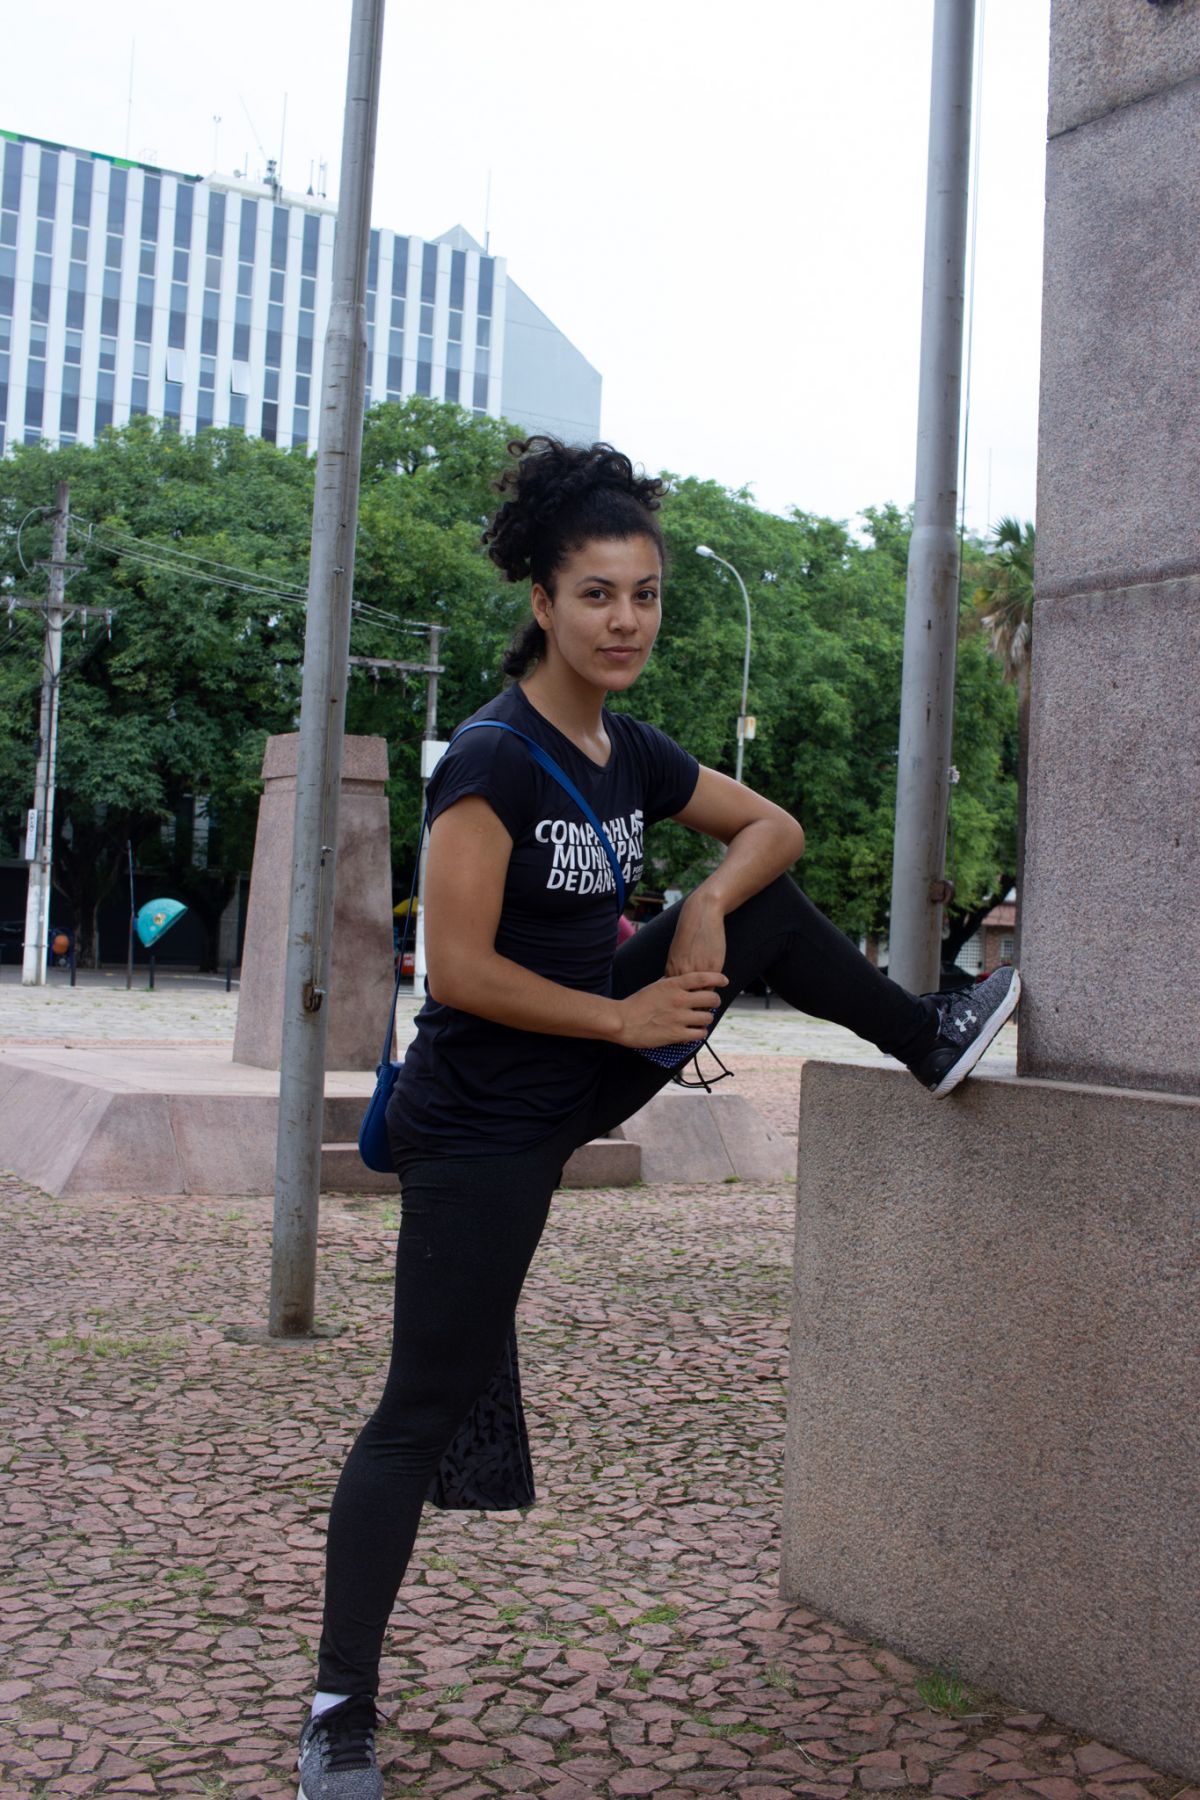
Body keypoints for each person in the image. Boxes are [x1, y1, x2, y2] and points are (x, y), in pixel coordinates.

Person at [296, 438, 1020, 1799]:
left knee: (760, 906)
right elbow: (457, 971)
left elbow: (775, 831)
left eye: (645, 597)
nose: (625, 621)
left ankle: (929, 1036)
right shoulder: (493, 761)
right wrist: (628, 1020)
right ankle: (338, 1706)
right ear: (543, 605)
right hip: (483, 1115)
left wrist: (696, 905)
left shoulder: (627, 749)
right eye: (597, 596)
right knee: (418, 1404)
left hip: (583, 1058)